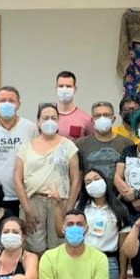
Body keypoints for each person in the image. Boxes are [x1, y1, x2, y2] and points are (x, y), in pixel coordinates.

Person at [15, 104, 81, 253]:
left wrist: (69, 209)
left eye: (53, 118)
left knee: (58, 246)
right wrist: (27, 209)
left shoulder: (68, 146)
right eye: (45, 118)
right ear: (38, 121)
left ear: (58, 121)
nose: (49, 121)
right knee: (33, 247)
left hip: (60, 202)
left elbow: (76, 179)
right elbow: (17, 179)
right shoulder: (26, 146)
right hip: (33, 201)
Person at [0, 86, 38, 214]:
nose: (7, 104)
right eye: (2, 100)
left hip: (22, 195)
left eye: (11, 101)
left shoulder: (30, 128)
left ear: (19, 104)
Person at [77, 170, 131, 279]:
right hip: (84, 260)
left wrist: (122, 276)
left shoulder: (119, 209)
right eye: (88, 182)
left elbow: (123, 248)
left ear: (105, 181)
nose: (93, 184)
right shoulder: (81, 208)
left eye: (96, 179)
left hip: (109, 262)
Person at [77, 101, 130, 183]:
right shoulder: (80, 144)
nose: (102, 119)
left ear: (113, 119)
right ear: (92, 120)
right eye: (98, 116)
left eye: (106, 115)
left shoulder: (127, 144)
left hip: (119, 191)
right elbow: (77, 176)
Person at [53, 71, 93, 139]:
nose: (64, 90)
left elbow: (92, 142)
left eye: (68, 86)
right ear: (56, 88)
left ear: (75, 89)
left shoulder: (86, 119)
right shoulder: (48, 118)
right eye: (61, 86)